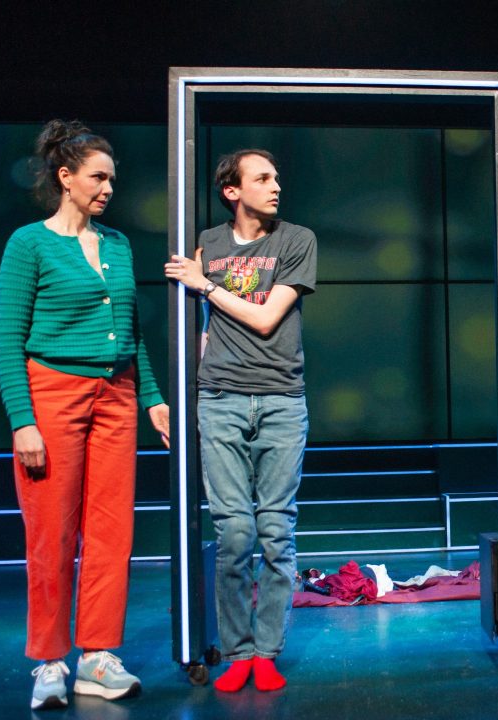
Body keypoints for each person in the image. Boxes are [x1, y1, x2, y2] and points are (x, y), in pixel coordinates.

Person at [0, 119, 170, 710]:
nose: (108, 188)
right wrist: (23, 421)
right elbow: (7, 340)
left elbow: (132, 332)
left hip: (115, 396)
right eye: (98, 177)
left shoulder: (117, 244)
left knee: (111, 532)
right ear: (65, 177)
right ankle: (49, 660)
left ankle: (97, 656)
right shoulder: (29, 243)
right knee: (51, 533)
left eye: (112, 179)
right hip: (52, 396)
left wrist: (152, 398)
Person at [164, 149, 316, 694]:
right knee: (233, 532)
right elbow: (205, 327)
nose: (276, 186)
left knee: (275, 531)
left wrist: (205, 283)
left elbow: (268, 317)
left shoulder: (296, 239)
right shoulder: (209, 243)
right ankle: (238, 651)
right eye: (263, 178)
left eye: (276, 177)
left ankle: (267, 651)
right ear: (232, 191)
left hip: (280, 399)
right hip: (221, 399)